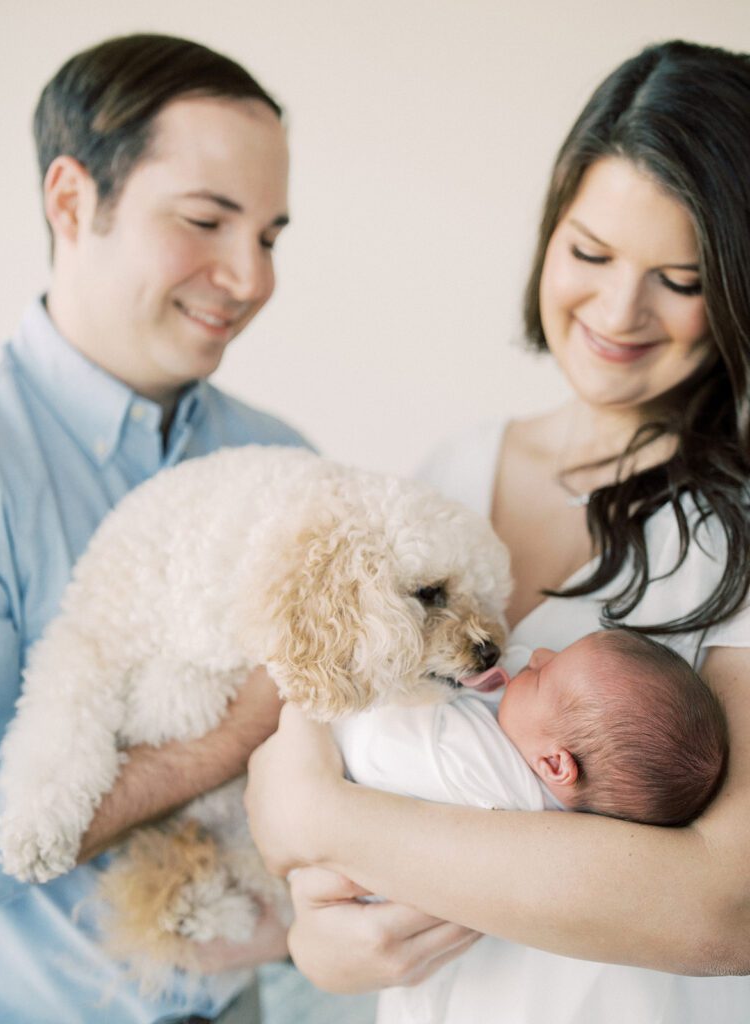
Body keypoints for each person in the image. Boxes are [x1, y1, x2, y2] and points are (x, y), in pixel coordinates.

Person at [245, 39, 750, 1023]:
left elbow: (723, 905)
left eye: (679, 279)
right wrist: (322, 943)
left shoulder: (734, 522)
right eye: (590, 253)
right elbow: (301, 753)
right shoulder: (449, 477)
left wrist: (331, 818)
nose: (616, 310)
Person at [0, 32, 336, 1024]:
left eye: (269, 234)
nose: (251, 276)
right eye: (207, 220)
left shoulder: (285, 462)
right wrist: (220, 743)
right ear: (70, 201)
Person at [335, 628, 728, 1023]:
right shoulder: (564, 816)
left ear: (555, 765)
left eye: (541, 674)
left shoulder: (475, 766)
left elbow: (367, 738)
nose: (537, 653)